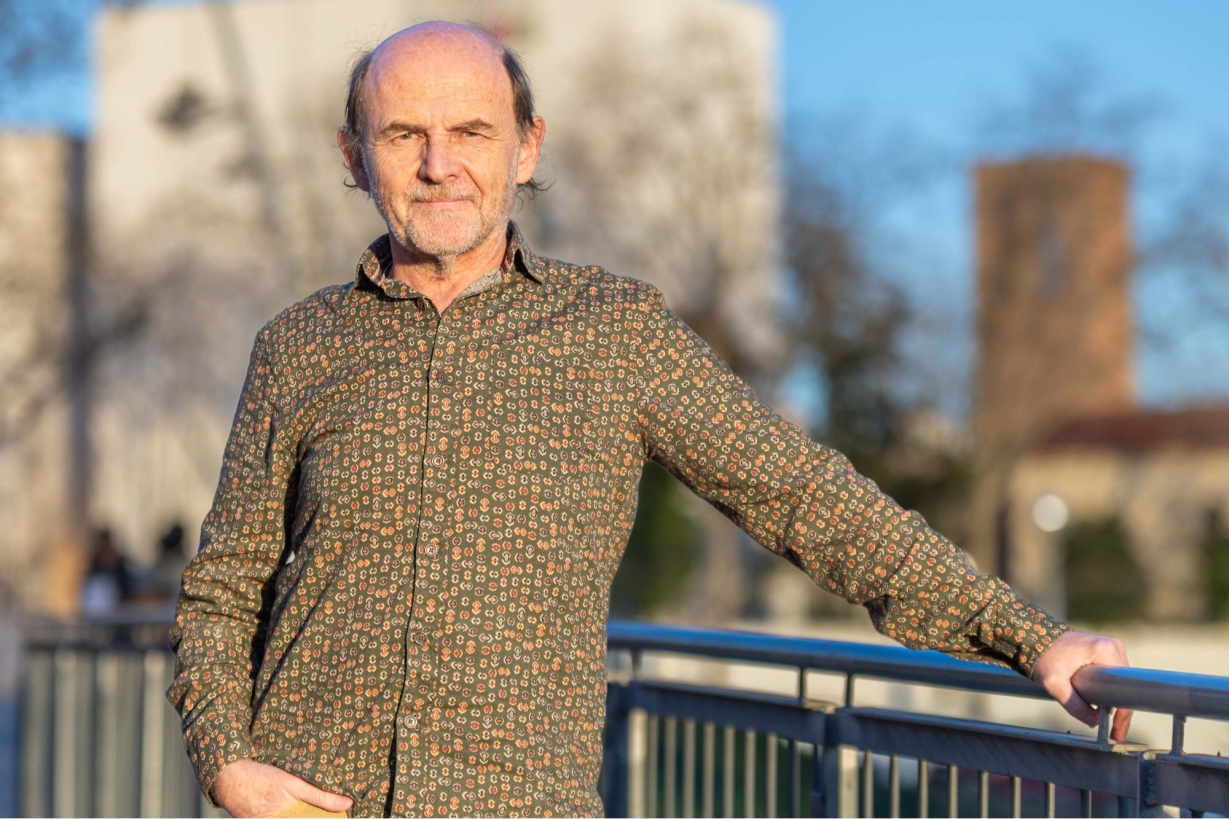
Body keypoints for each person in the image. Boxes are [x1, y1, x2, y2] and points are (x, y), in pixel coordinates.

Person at [167, 21, 1132, 818]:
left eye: (471, 131)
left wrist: (1028, 636)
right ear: (353, 155)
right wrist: (227, 762)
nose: (437, 164)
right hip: (304, 799)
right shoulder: (297, 345)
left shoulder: (615, 332)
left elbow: (803, 495)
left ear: (526, 147)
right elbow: (222, 590)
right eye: (402, 134)